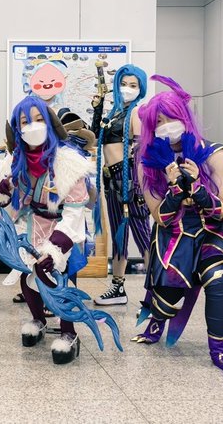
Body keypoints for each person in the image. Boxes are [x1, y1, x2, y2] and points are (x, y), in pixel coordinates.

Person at [133, 75, 223, 379]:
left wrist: (197, 187)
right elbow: (160, 217)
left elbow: (220, 210)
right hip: (172, 237)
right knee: (167, 297)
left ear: (185, 116)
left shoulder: (215, 154)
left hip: (210, 233)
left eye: (172, 118)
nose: (167, 126)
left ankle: (219, 349)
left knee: (219, 279)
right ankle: (157, 319)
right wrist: (175, 189)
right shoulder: (147, 164)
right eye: (159, 122)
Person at [0, 95, 94, 363]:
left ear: (50, 122)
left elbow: (75, 211)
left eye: (38, 119)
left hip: (63, 227)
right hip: (34, 225)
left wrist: (56, 247)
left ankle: (69, 332)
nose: (32, 127)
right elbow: (15, 204)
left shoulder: (69, 162)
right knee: (28, 276)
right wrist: (5, 192)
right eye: (25, 122)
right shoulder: (16, 161)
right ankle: (38, 319)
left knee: (62, 281)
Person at [92, 64, 151, 306]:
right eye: (124, 84)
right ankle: (118, 288)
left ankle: (157, 293)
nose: (127, 88)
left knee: (143, 235)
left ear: (141, 88)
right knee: (119, 235)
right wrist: (97, 109)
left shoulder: (136, 112)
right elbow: (95, 138)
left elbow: (140, 151)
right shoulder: (115, 113)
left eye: (133, 85)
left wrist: (137, 185)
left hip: (129, 179)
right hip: (111, 180)